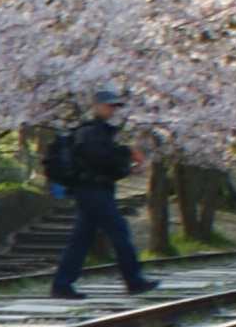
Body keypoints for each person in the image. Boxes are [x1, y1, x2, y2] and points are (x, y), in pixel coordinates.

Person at [40, 90, 158, 298]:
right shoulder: (90, 133)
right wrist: (126, 152)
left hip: (95, 190)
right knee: (119, 232)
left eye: (114, 106)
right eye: (108, 105)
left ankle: (62, 284)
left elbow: (106, 169)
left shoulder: (101, 132)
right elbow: (101, 161)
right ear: (96, 105)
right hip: (92, 191)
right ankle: (134, 280)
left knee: (81, 239)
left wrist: (127, 169)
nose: (112, 110)